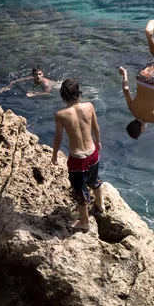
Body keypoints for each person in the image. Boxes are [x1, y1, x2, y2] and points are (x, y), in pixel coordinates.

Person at [51, 79, 104, 231]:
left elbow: (58, 137)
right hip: (93, 153)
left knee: (80, 190)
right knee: (94, 179)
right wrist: (98, 142)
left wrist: (54, 154)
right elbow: (96, 127)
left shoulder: (61, 114)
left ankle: (85, 222)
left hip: (77, 160)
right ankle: (100, 205)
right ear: (79, 93)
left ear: (62, 95)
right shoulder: (89, 106)